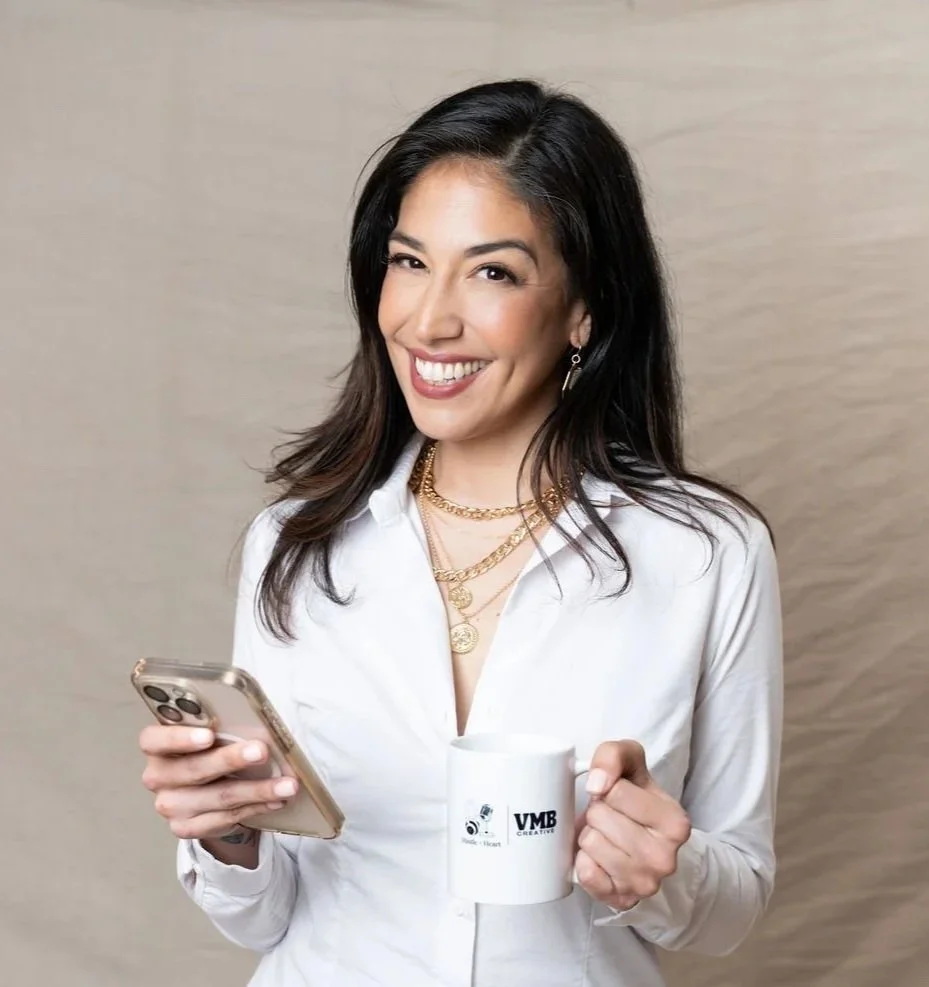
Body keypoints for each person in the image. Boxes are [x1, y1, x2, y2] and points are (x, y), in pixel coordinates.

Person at [138, 79, 783, 987]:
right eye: (409, 261)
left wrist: (660, 875)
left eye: (492, 272)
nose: (428, 319)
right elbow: (266, 916)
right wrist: (231, 831)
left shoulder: (706, 554)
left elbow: (733, 901)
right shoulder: (296, 545)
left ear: (583, 310)